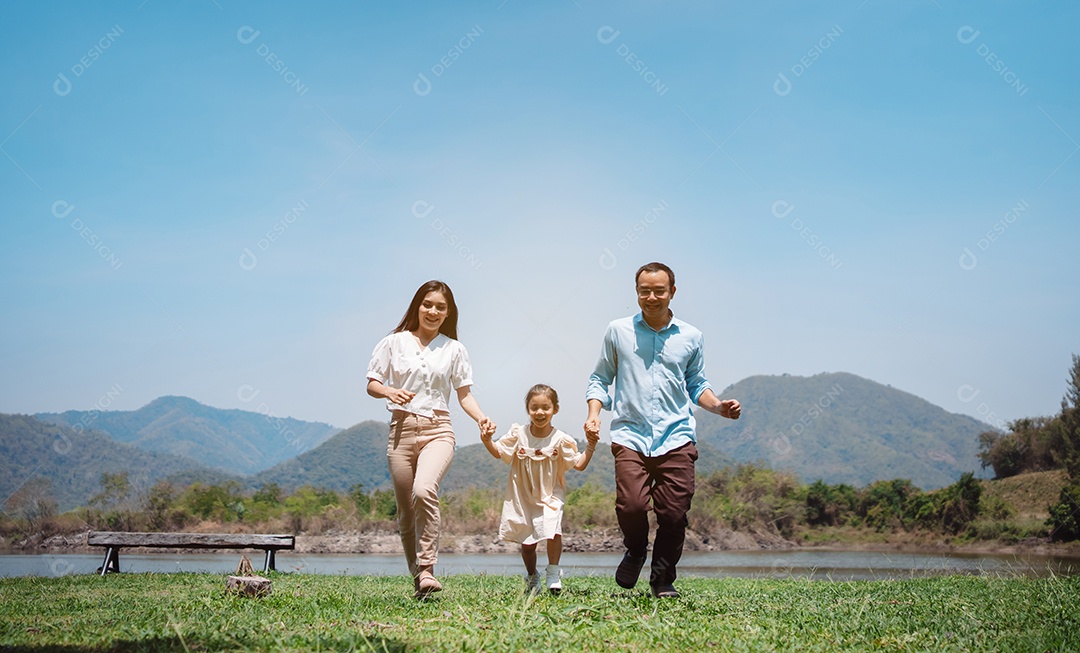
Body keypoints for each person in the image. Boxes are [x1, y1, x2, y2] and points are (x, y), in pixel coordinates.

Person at [584, 262, 741, 599]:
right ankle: (636, 550)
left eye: (659, 290)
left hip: (676, 436)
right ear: (636, 292)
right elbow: (600, 378)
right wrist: (594, 414)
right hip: (630, 434)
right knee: (632, 506)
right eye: (644, 290)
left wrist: (718, 406)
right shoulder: (618, 331)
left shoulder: (691, 336)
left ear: (672, 292)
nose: (651, 297)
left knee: (673, 514)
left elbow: (697, 383)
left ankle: (662, 579)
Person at [366, 280, 497, 598]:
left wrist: (481, 417)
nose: (433, 311)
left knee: (423, 490)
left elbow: (464, 395)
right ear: (417, 306)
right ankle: (420, 580)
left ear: (448, 312)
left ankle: (427, 567)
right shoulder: (394, 343)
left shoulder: (454, 349)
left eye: (441, 306)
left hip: (438, 429)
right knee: (405, 512)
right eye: (428, 304)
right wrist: (389, 391)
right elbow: (372, 382)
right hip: (400, 431)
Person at [482, 384, 599, 594]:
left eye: (545, 407)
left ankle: (553, 572)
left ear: (555, 409)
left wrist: (590, 446)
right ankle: (532, 575)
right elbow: (499, 452)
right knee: (528, 543)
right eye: (534, 407)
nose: (540, 412)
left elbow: (579, 464)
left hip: (551, 494)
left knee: (553, 529)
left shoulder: (560, 439)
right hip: (523, 495)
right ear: (527, 409)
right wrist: (487, 440)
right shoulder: (519, 434)